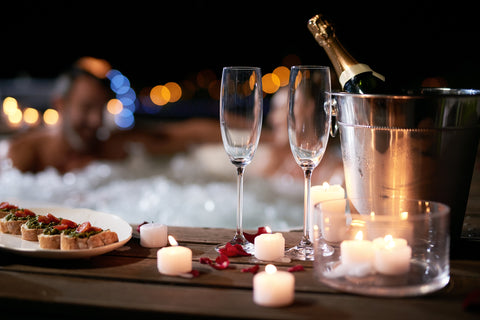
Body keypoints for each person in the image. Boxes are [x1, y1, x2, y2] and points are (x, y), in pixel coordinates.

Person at [7, 57, 221, 173]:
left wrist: (248, 136)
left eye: (100, 109)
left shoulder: (111, 148)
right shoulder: (27, 153)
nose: (95, 121)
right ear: (60, 104)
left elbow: (187, 134)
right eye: (86, 107)